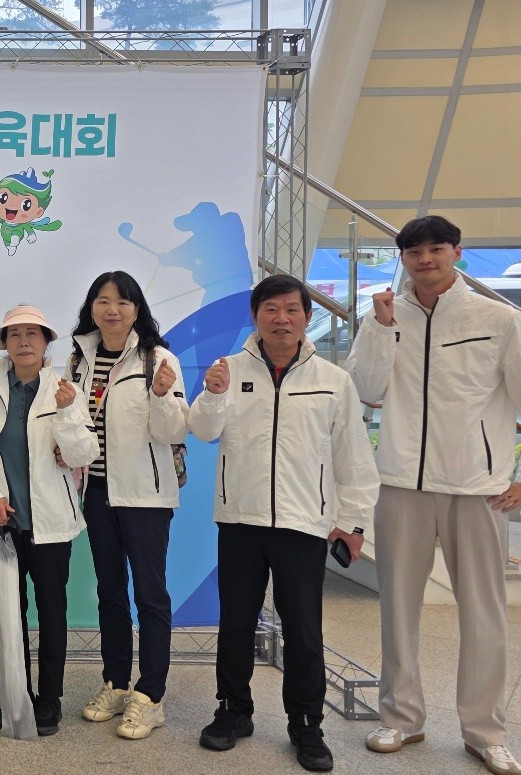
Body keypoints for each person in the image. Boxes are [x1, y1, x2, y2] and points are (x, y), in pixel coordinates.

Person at [346, 215, 521, 775]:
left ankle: (486, 731)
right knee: (398, 609)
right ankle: (401, 717)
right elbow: (366, 390)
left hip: (479, 489)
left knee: (485, 615)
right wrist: (381, 327)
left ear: (457, 252)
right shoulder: (382, 316)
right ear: (402, 258)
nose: (426, 259)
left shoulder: (498, 318)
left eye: (436, 249)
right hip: (402, 485)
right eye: (414, 251)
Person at [189, 275, 378, 773]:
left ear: (307, 317)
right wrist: (212, 394)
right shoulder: (228, 369)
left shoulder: (333, 380)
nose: (281, 319)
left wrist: (353, 521)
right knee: (235, 624)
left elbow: (353, 456)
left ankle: (306, 723)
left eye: (292, 309)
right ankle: (233, 710)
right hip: (240, 519)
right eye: (271, 309)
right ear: (255, 316)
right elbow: (203, 431)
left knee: (303, 629)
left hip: (304, 522)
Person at [67, 271, 189, 740]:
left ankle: (151, 695)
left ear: (137, 309)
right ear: (91, 309)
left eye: (121, 301)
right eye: (102, 301)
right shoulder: (79, 360)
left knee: (151, 595)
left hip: (145, 496)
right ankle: (117, 684)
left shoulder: (159, 359)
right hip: (96, 494)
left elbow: (173, 431)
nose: (112, 310)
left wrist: (160, 395)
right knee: (110, 592)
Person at [0, 304, 98, 736]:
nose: (23, 342)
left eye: (32, 334)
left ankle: (50, 698)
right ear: (5, 343)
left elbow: (83, 455)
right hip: (4, 523)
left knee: (52, 611)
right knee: (12, 612)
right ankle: (17, 695)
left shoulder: (64, 390)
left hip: (52, 524)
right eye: (15, 334)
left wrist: (67, 413)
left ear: (45, 343)